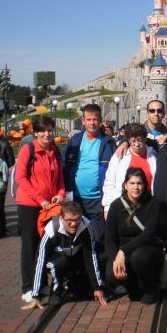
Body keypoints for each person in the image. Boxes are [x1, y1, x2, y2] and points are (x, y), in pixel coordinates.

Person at [15, 116, 65, 303]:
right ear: (35, 133)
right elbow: (20, 178)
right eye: (42, 131)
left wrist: (60, 193)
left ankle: (42, 283)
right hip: (29, 204)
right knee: (30, 245)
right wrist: (40, 199)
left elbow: (60, 177)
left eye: (50, 130)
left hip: (49, 206)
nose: (47, 134)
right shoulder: (28, 149)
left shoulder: (55, 151)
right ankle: (28, 286)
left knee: (45, 245)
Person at [23, 201, 107, 310]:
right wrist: (35, 295)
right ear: (61, 218)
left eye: (77, 220)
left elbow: (91, 256)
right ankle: (56, 291)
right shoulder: (51, 229)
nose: (73, 224)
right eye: (69, 221)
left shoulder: (87, 226)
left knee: (100, 256)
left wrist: (97, 287)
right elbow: (40, 260)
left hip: (76, 257)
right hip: (58, 259)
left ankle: (76, 283)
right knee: (59, 263)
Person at [105, 168, 164, 304]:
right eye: (132, 183)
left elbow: (149, 234)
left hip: (147, 247)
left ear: (145, 185)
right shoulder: (116, 206)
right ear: (125, 185)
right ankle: (132, 287)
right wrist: (115, 259)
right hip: (124, 250)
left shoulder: (154, 203)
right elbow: (110, 238)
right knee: (111, 274)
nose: (136, 187)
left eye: (139, 183)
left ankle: (150, 289)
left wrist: (123, 251)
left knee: (139, 258)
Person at [63, 104, 117, 243]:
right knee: (78, 238)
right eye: (88, 119)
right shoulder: (75, 140)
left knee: (98, 237)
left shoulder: (108, 143)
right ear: (83, 120)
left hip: (98, 200)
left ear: (101, 120)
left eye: (95, 119)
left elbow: (116, 169)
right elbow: (64, 165)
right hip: (76, 199)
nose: (92, 123)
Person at [101, 123, 158, 213]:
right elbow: (110, 182)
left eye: (139, 140)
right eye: (133, 141)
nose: (137, 144)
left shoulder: (153, 155)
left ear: (145, 139)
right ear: (128, 141)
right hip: (124, 207)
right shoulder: (120, 156)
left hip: (148, 206)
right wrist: (107, 207)